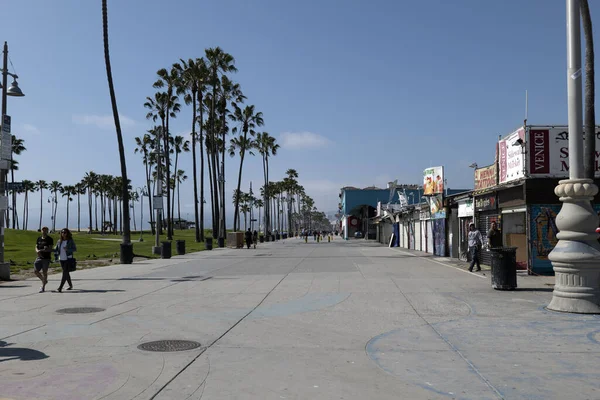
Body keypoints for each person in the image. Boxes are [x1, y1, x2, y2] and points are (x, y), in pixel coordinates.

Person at [54, 228, 77, 292]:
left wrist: (68, 249)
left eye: (65, 232)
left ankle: (60, 288)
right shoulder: (59, 241)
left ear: (67, 233)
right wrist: (49, 249)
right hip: (61, 259)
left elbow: (74, 249)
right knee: (66, 273)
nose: (63, 234)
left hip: (68, 258)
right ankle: (70, 285)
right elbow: (56, 249)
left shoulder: (70, 241)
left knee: (64, 273)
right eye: (62, 232)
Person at [34, 226, 53, 293]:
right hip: (39, 257)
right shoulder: (39, 238)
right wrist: (37, 251)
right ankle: (44, 280)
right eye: (43, 230)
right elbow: (36, 246)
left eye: (45, 230)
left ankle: (43, 287)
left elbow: (50, 249)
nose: (44, 231)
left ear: (47, 231)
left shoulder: (49, 239)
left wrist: (46, 249)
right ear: (41, 231)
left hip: (46, 258)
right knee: (36, 271)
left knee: (44, 272)